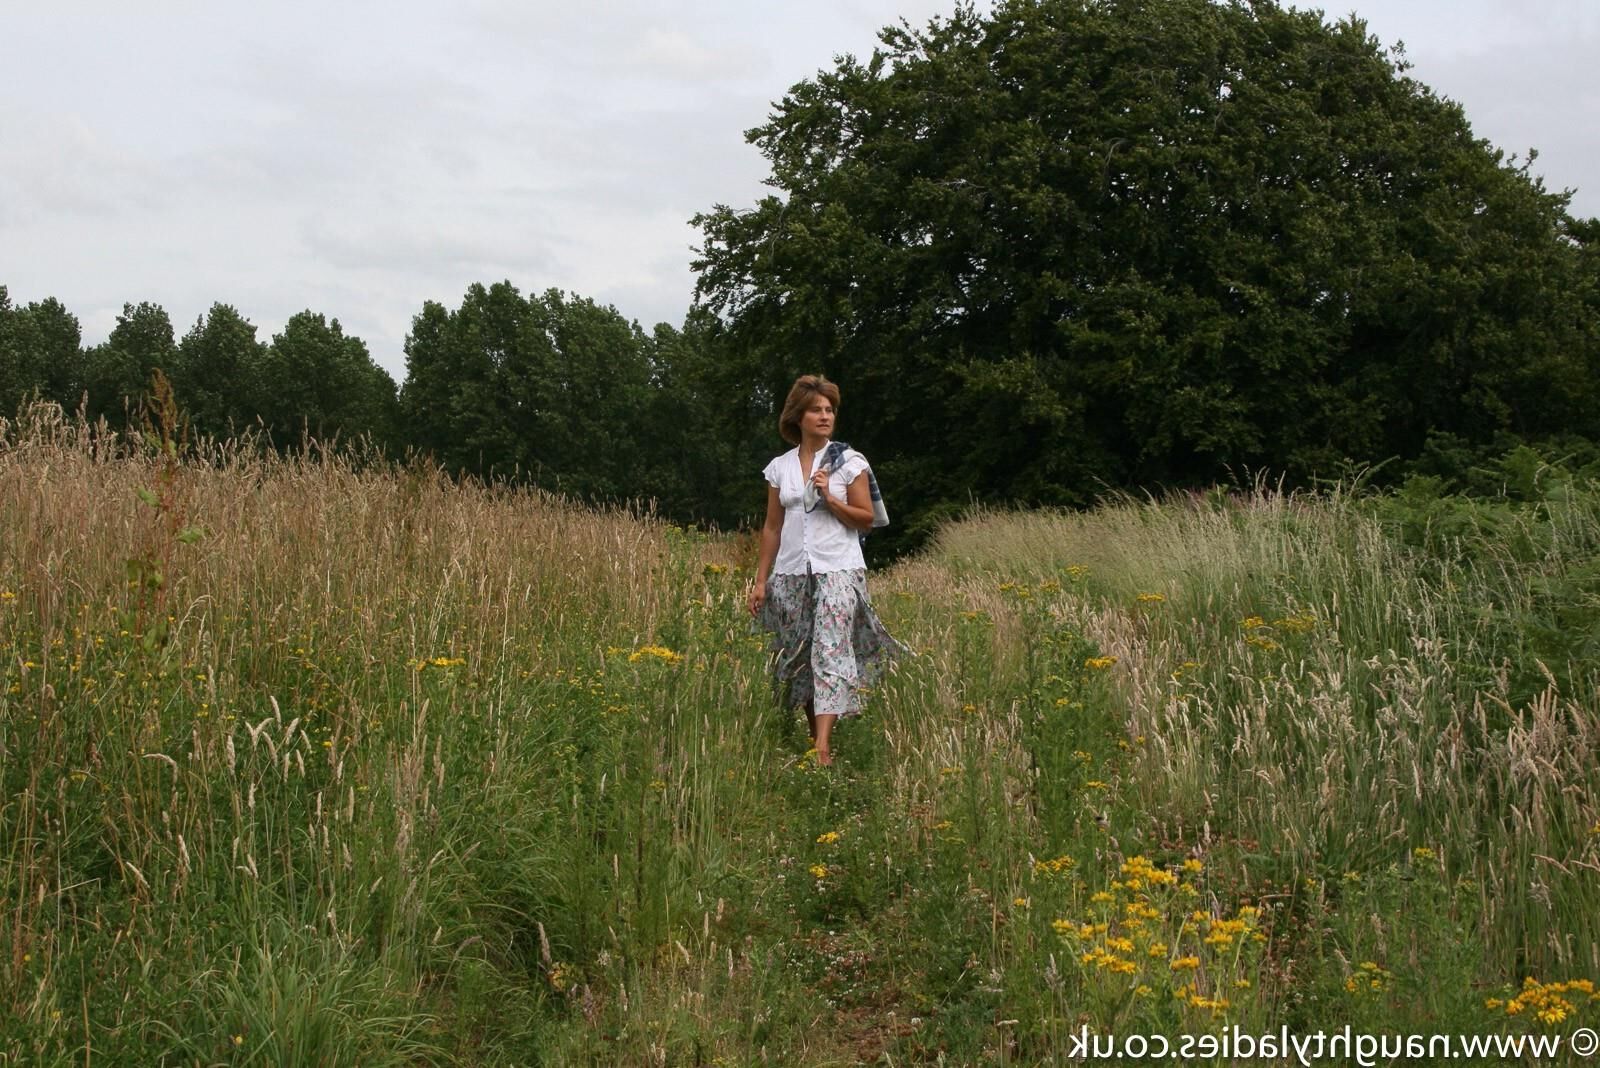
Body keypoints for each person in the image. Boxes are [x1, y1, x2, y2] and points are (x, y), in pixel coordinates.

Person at [747, 374, 902, 766]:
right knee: (800, 655)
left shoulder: (849, 462)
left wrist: (830, 498)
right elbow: (772, 527)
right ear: (798, 417)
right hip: (792, 573)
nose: (824, 415)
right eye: (816, 409)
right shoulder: (778, 468)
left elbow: (866, 519)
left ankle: (822, 748)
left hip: (838, 570)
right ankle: (815, 736)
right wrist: (760, 580)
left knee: (830, 651)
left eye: (829, 409)